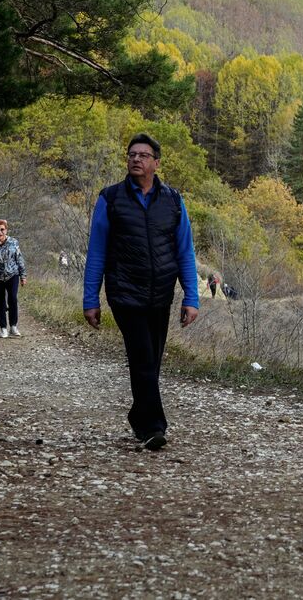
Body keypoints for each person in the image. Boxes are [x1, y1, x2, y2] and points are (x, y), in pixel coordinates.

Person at [83, 133, 199, 451]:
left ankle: (138, 414)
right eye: (132, 154)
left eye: (144, 155)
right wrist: (90, 299)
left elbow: (185, 251)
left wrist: (191, 296)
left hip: (160, 294)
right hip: (125, 293)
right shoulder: (110, 199)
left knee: (151, 362)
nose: (136, 159)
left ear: (156, 163)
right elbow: (97, 252)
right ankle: (153, 427)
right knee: (143, 358)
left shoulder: (173, 201)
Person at [0, 219, 27, 338]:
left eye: (2, 230)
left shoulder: (13, 242)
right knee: (0, 302)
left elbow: (19, 259)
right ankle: (3, 328)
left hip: (12, 274)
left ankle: (13, 326)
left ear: (6, 230)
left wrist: (23, 275)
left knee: (12, 298)